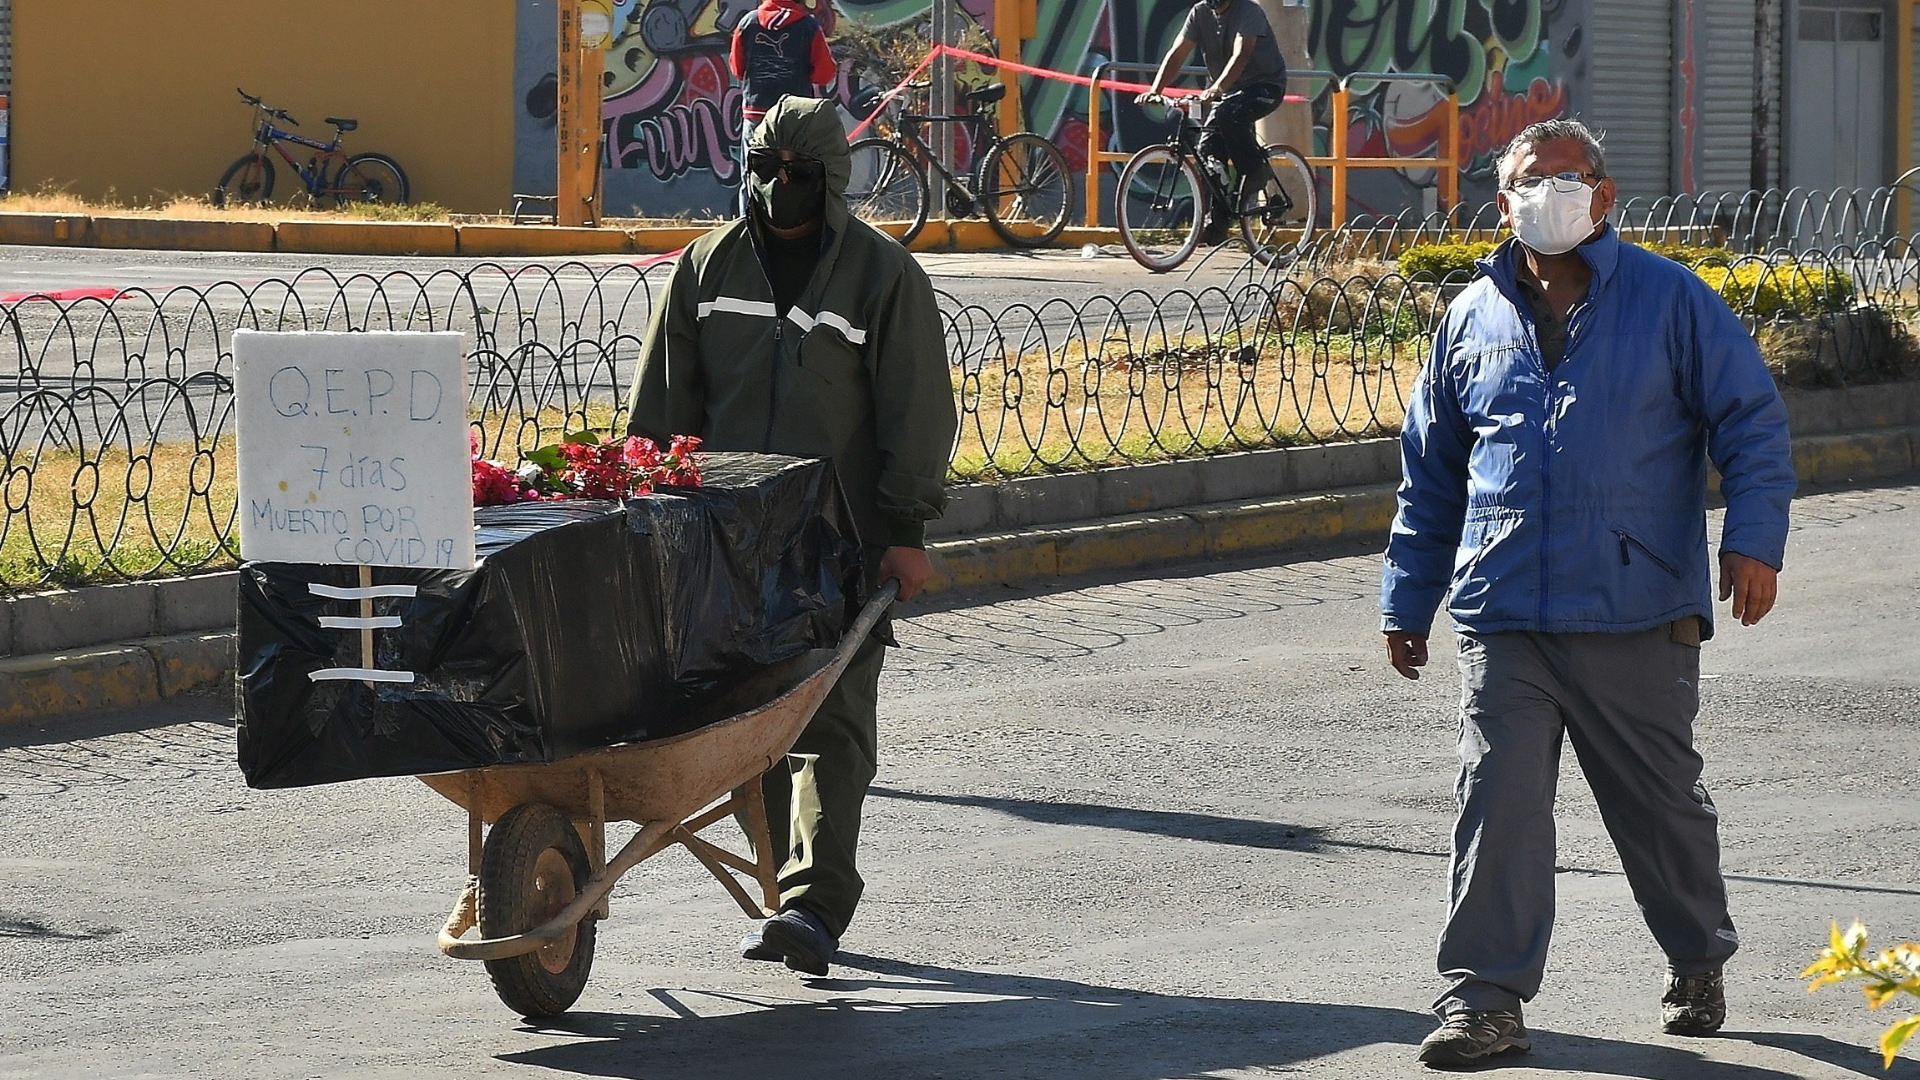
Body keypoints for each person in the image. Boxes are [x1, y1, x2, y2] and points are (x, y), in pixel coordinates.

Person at [1378, 118, 1796, 1067]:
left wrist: (1755, 542)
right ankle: (1483, 997)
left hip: (1636, 608)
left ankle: (1696, 951)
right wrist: (1409, 598)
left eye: (1571, 179)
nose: (1552, 194)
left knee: (1660, 810)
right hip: (1506, 611)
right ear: (1503, 201)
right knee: (1499, 802)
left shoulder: (1671, 300)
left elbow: (1753, 426)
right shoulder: (1469, 316)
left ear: (1604, 198)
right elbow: (1433, 473)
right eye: (1533, 180)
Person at [626, 95, 957, 978]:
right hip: (724, 542)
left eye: (797, 175)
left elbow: (914, 411)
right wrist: (650, 503)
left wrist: (905, 529)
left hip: (837, 540)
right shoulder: (704, 268)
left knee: (832, 725)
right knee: (749, 725)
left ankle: (814, 905)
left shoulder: (880, 278)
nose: (778, 190)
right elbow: (664, 404)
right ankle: (782, 895)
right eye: (764, 172)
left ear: (832, 180)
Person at [1138, 0, 1290, 245]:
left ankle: (1257, 172)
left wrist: (1218, 87)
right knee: (1207, 152)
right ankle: (1218, 221)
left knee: (1228, 116)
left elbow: (1242, 53)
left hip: (1265, 86)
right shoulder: (1199, 13)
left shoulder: (1248, 10)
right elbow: (1178, 52)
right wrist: (1156, 90)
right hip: (1229, 92)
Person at [730, 0, 836, 215]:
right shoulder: (808, 25)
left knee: (753, 179)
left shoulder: (747, 23)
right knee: (799, 178)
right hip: (795, 116)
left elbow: (738, 69)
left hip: (756, 113)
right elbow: (824, 74)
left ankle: (750, 236)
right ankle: (796, 234)